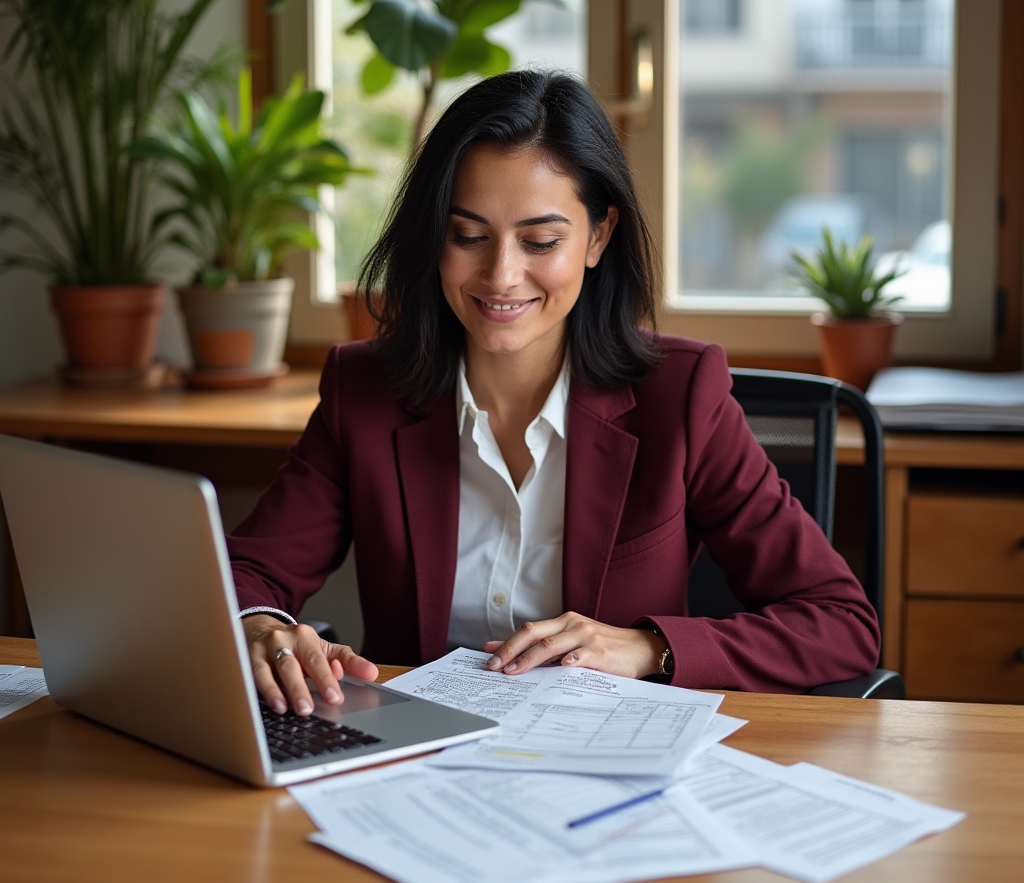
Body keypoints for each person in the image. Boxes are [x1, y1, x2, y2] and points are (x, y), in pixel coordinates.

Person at [229, 70, 880, 717]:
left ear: (598, 236)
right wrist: (260, 625)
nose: (501, 275)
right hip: (417, 763)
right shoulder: (364, 392)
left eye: (540, 241)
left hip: (605, 764)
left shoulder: (679, 397)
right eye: (468, 236)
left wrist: (650, 647)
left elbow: (840, 622)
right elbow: (245, 576)